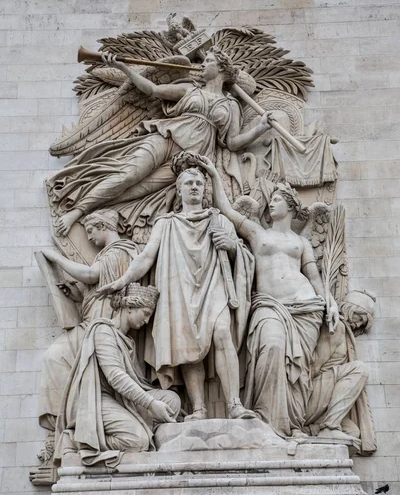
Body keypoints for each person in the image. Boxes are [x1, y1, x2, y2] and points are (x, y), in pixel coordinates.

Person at [47, 46, 273, 237]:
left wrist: (260, 128)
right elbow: (153, 89)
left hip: (187, 160)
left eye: (209, 61)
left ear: (222, 69)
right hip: (167, 137)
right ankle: (76, 211)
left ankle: (95, 208)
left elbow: (232, 143)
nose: (203, 65)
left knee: (139, 190)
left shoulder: (231, 105)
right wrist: (123, 68)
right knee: (129, 174)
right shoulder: (189, 89)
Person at [97, 156, 255, 420]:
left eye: (199, 183)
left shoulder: (220, 221)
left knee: (222, 333)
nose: (194, 186)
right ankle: (199, 409)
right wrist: (123, 280)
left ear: (206, 190)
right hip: (180, 290)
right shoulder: (166, 223)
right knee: (189, 345)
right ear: (179, 190)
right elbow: (146, 257)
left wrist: (230, 247)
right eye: (188, 183)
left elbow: (244, 257)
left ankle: (234, 405)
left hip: (213, 286)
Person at [200, 156, 339, 438]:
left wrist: (331, 302)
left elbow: (314, 277)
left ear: (289, 206)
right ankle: (266, 420)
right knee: (272, 347)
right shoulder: (256, 232)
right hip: (269, 306)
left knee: (297, 371)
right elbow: (225, 208)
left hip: (305, 308)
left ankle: (292, 426)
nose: (271, 203)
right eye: (271, 199)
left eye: (276, 199)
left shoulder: (301, 242)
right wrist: (214, 174)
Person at [38, 209, 139, 440]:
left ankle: (74, 419)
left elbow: (92, 275)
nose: (90, 237)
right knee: (56, 358)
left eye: (91, 231)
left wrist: (56, 258)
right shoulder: (106, 254)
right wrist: (76, 295)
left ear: (104, 227)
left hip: (100, 325)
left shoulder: (119, 252)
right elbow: (95, 288)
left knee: (55, 357)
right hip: (92, 319)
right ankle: (71, 418)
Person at [54, 284, 181, 467]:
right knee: (138, 440)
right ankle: (77, 439)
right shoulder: (103, 331)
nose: (146, 321)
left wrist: (156, 400)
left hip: (121, 400)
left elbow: (136, 382)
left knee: (172, 400)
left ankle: (141, 425)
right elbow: (116, 377)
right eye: (145, 314)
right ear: (129, 307)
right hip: (98, 400)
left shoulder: (127, 341)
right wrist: (151, 404)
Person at [305, 290, 377, 455]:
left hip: (321, 398)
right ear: (350, 309)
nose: (359, 325)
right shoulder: (337, 328)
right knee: (359, 369)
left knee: (352, 433)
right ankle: (329, 426)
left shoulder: (343, 330)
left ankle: (310, 430)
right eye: (360, 318)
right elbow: (314, 366)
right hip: (308, 395)